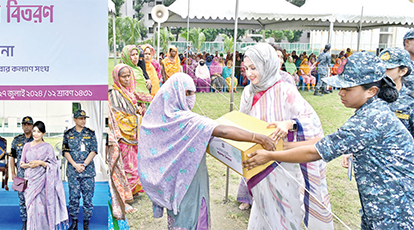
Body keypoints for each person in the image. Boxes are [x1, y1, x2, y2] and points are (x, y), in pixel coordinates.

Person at [244, 52, 414, 229]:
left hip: (394, 210)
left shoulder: (370, 120)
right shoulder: (373, 111)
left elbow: (315, 152)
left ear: (371, 91)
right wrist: (286, 145)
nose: (340, 93)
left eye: (347, 88)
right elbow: (327, 141)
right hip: (382, 204)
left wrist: (272, 155)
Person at [137, 73, 276, 230]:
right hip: (189, 181)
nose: (192, 97)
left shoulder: (156, 118)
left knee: (178, 218)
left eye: (193, 92)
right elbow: (222, 131)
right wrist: (258, 137)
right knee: (191, 216)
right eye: (187, 93)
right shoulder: (187, 120)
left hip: (172, 184)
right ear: (175, 93)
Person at [237, 43, 333, 229]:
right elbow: (243, 121)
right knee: (262, 205)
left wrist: (289, 124)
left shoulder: (285, 90)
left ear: (267, 65)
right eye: (246, 68)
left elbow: (311, 120)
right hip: (258, 161)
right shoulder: (248, 92)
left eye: (254, 68)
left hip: (283, 162)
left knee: (286, 210)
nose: (249, 73)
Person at [107, 64, 142, 219]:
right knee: (126, 165)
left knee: (134, 163)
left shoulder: (129, 91)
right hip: (122, 135)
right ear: (117, 77)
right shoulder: (113, 94)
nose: (127, 79)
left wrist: (138, 112)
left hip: (133, 134)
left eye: (129, 76)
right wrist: (135, 119)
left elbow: (132, 108)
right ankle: (125, 193)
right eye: (124, 76)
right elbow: (117, 117)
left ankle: (132, 191)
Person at [20, 121, 68, 230]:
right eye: (34, 131)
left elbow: (54, 165)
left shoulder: (48, 147)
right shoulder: (27, 146)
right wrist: (31, 165)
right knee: (31, 210)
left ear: (44, 133)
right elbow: (22, 163)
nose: (36, 134)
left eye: (39, 132)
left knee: (42, 210)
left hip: (43, 183)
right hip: (30, 182)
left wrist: (41, 163)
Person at [62, 110, 98, 230]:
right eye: (80, 118)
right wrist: (74, 165)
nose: (83, 120)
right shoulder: (68, 134)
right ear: (75, 119)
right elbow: (65, 151)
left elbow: (93, 150)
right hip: (73, 171)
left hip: (87, 171)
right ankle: (75, 223)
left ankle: (86, 223)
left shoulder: (90, 133)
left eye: (84, 118)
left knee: (88, 198)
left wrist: (84, 164)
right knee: (73, 197)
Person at [379, 48, 414, 136]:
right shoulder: (370, 95)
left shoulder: (410, 101)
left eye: (387, 68)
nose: (381, 71)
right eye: (380, 67)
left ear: (403, 71)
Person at [10, 116, 34, 230]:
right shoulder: (17, 140)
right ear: (22, 126)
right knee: (22, 199)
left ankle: (33, 222)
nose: (27, 126)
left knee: (34, 198)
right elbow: (12, 157)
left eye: (29, 124)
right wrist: (13, 173)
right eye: (25, 124)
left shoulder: (37, 139)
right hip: (20, 174)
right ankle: (24, 223)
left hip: (34, 174)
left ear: (32, 126)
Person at [121, 45, 152, 113]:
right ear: (127, 57)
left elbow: (142, 82)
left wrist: (147, 82)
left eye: (136, 54)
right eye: (132, 55)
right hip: (132, 103)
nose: (135, 57)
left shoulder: (138, 69)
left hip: (144, 103)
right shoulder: (124, 70)